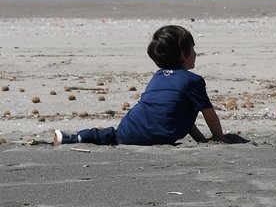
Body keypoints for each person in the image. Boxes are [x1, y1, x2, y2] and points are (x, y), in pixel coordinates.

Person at [53, 25, 225, 146]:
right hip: (158, 137)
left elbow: (175, 114)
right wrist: (218, 137)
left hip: (129, 130)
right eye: (193, 49)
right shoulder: (193, 81)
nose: (195, 53)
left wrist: (201, 140)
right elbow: (208, 114)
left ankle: (74, 138)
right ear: (183, 54)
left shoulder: (158, 77)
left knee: (109, 135)